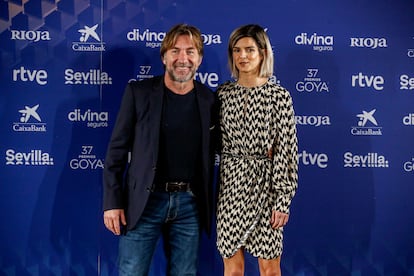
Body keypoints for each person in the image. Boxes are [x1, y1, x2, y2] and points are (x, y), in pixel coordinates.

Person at [103, 23, 217, 276]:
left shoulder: (209, 100)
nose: (183, 59)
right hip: (143, 202)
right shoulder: (139, 93)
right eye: (175, 51)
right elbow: (116, 152)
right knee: (131, 272)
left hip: (190, 205)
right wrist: (112, 202)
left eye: (190, 52)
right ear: (164, 56)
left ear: (199, 59)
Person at [215, 24, 298, 276]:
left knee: (270, 268)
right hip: (230, 187)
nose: (242, 56)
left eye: (249, 50)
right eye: (237, 50)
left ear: (263, 52)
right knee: (233, 269)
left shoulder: (279, 96)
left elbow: (287, 151)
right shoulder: (222, 94)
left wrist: (282, 200)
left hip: (267, 189)